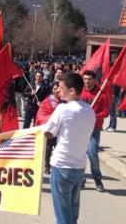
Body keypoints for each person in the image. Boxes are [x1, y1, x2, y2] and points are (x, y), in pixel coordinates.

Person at [44, 72, 95, 224]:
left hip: (62, 166)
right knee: (71, 212)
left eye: (61, 88)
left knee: (63, 215)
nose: (58, 91)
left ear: (72, 91)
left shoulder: (63, 109)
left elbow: (48, 133)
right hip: (79, 167)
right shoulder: (90, 111)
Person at [80, 70, 109, 192]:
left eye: (89, 79)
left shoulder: (101, 94)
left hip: (94, 129)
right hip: (80, 128)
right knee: (80, 155)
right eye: (85, 79)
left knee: (92, 154)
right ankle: (81, 180)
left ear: (94, 80)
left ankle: (97, 179)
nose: (87, 81)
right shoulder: (79, 92)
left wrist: (93, 115)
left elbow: (106, 112)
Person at [35, 82, 61, 174]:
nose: (57, 90)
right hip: (50, 130)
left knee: (59, 149)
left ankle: (57, 166)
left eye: (59, 88)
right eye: (54, 89)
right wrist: (52, 118)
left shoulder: (64, 101)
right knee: (48, 149)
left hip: (60, 130)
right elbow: (41, 115)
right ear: (52, 90)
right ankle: (47, 166)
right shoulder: (47, 101)